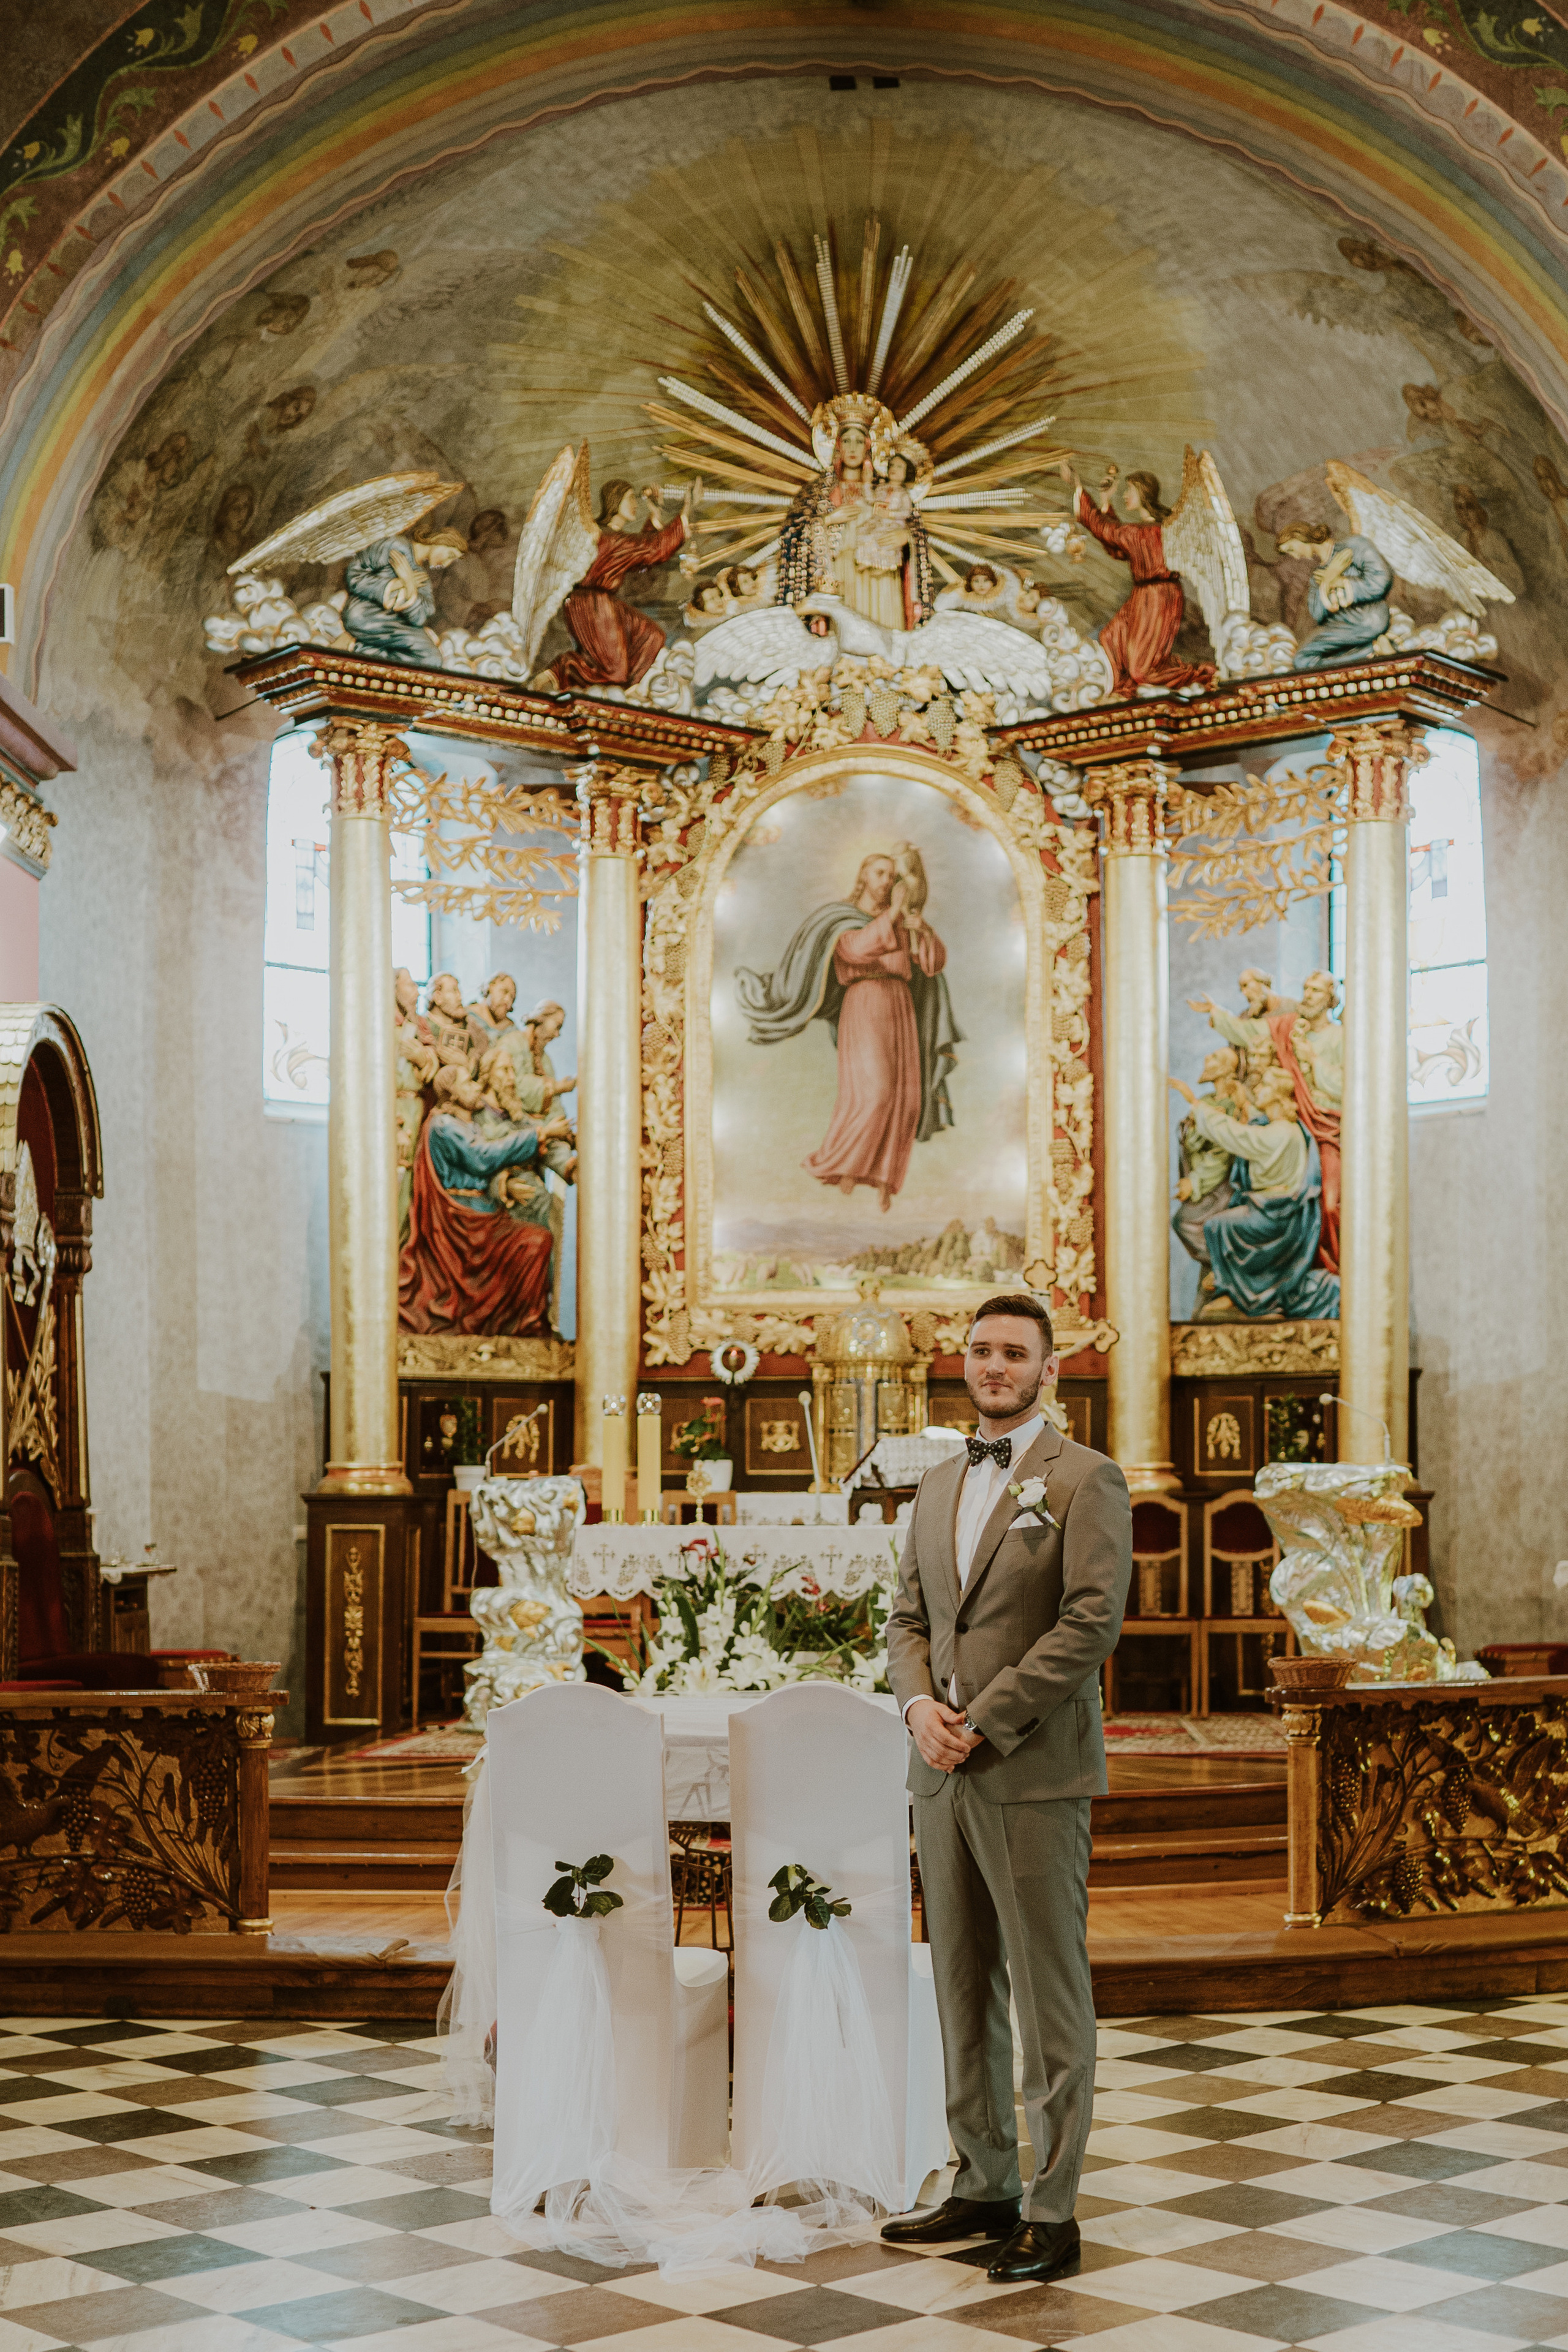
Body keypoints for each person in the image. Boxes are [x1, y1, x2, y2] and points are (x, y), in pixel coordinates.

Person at [884, 1294, 1131, 2285]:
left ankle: (1054, 2208)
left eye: (1013, 1352)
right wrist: (917, 1712)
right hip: (938, 1772)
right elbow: (906, 1618)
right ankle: (982, 2180)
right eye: (982, 1350)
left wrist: (982, 1715)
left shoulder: (1086, 1479)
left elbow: (1090, 1622)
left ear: (1048, 1368)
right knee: (961, 1986)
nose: (994, 1366)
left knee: (1047, 1993)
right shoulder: (938, 1482)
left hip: (1028, 1767)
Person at [737, 849, 958, 1212]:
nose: (887, 881)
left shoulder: (899, 923)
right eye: (879, 873)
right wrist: (895, 917)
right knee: (877, 1092)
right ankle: (841, 1166)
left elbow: (931, 966)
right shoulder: (840, 918)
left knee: (907, 1098)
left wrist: (924, 931)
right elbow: (856, 950)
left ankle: (886, 1179)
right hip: (866, 1003)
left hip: (900, 1006)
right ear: (864, 878)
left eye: (892, 876)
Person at [1170, 1064, 1340, 1319]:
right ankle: (1235, 1287)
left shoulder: (1280, 1133)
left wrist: (1196, 1104)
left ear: (1278, 1095)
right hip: (1271, 1209)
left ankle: (1243, 1295)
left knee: (1217, 1226)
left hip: (1277, 1216)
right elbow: (1252, 1128)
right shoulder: (1283, 1128)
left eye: (1264, 1086)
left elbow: (1239, 1136)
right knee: (1218, 1224)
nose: (1258, 1090)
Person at [1058, 458, 1215, 696]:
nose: (1125, 496)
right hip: (1147, 594)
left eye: (1129, 490)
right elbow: (1118, 545)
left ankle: (1198, 680)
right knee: (1111, 637)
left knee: (1142, 671)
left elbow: (1107, 531)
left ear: (1143, 494)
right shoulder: (1148, 531)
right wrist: (1105, 500)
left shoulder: (1147, 532)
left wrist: (1077, 486)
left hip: (1157, 598)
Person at [1276, 518, 1393, 671]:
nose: (1296, 557)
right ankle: (1371, 650)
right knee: (1302, 661)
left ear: (1299, 536)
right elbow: (1318, 614)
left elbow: (1381, 581)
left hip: (1369, 617)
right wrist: (1328, 580)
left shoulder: (1355, 546)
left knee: (1370, 622)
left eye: (1291, 549)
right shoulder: (1317, 577)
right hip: (1339, 625)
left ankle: (1372, 648)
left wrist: (1339, 581)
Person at [342, 527, 467, 668]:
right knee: (430, 658)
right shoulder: (396, 545)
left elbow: (421, 616)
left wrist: (410, 585)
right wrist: (396, 583)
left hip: (392, 623)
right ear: (441, 541)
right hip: (365, 614)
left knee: (432, 660)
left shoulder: (421, 575)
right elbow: (354, 575)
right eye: (450, 555)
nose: (446, 563)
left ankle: (367, 654)